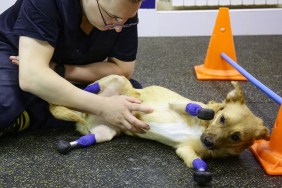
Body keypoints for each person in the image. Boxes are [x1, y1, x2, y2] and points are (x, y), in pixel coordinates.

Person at [0, 0, 153, 137]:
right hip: (13, 55)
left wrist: (59, 70)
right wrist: (102, 107)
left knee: (130, 95)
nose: (119, 28)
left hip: (60, 65)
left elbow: (123, 70)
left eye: (125, 20)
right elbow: (31, 77)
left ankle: (32, 108)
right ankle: (35, 111)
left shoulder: (121, 11)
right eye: (112, 18)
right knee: (5, 103)